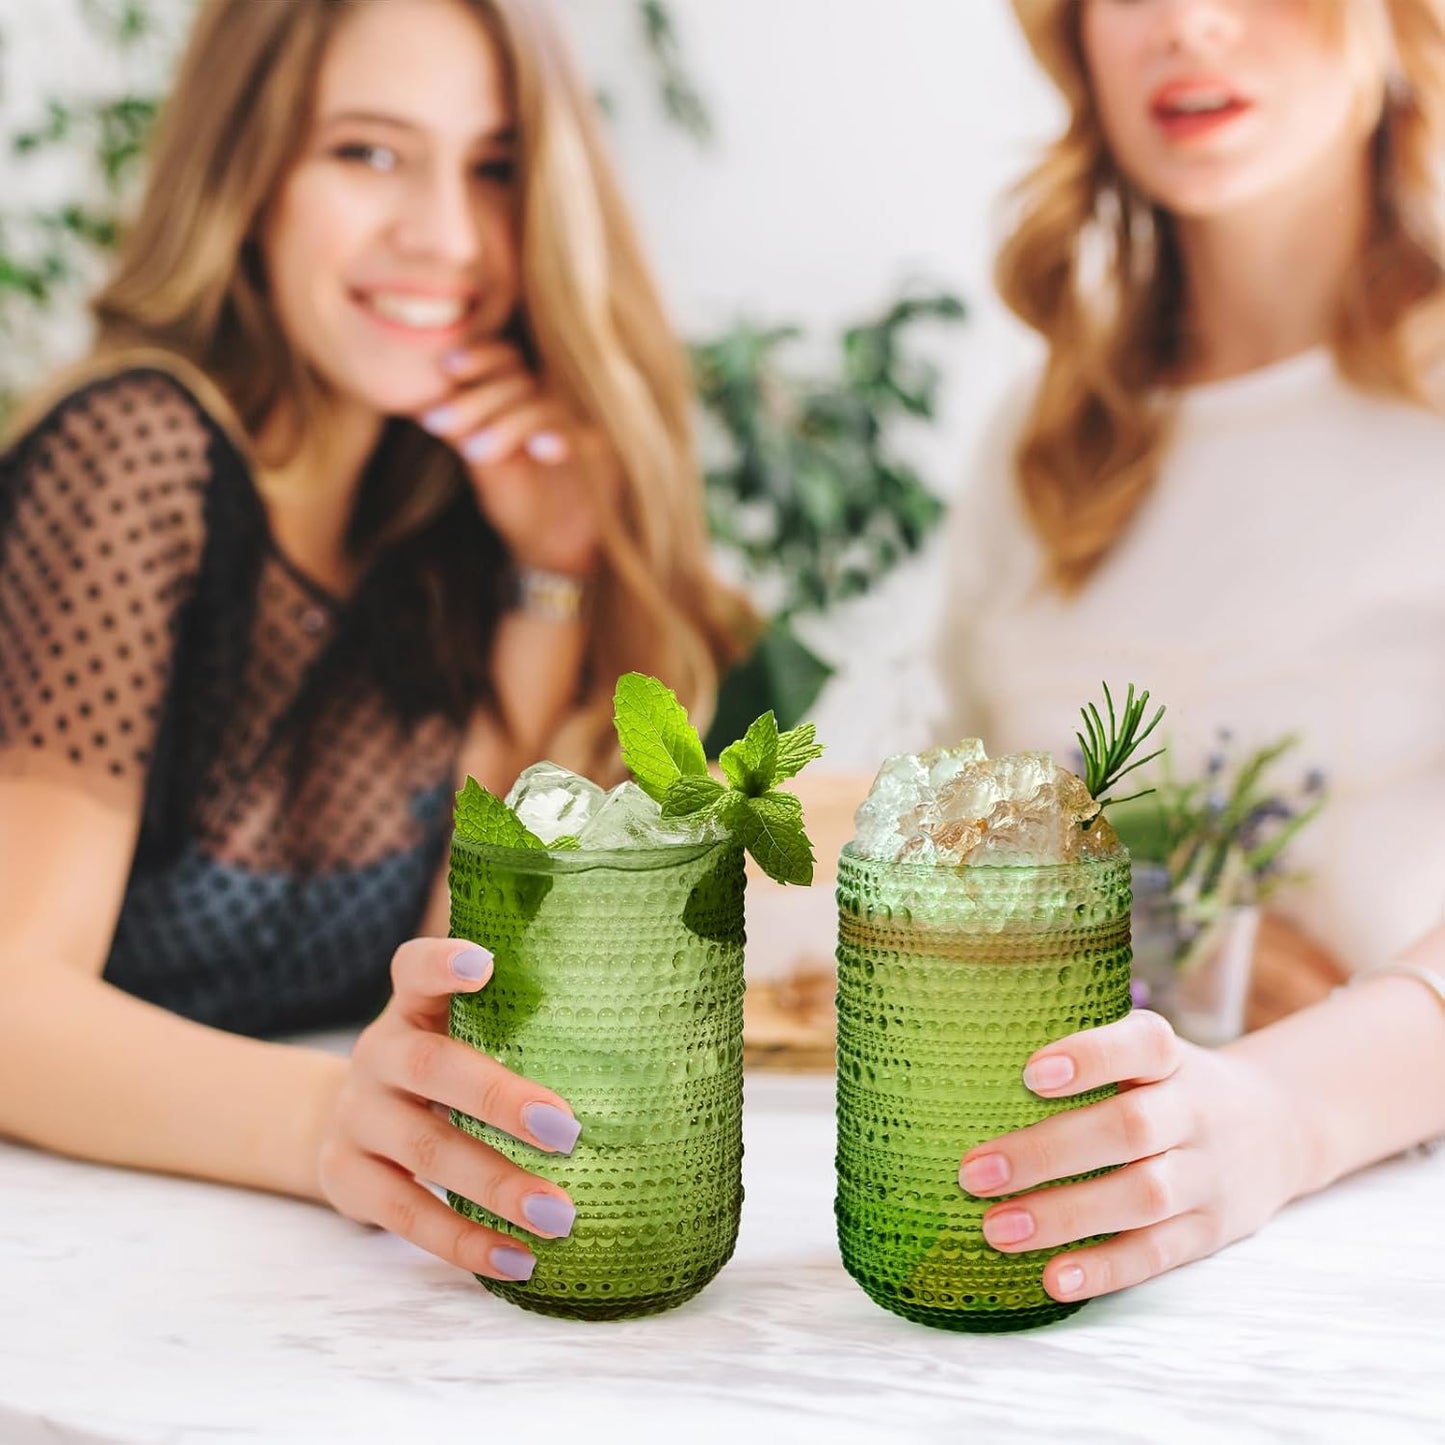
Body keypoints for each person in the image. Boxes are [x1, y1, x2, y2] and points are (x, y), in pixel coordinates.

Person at [0, 0, 749, 1286]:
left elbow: (474, 970)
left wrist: (549, 574)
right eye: (367, 152)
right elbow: (10, 998)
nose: (445, 236)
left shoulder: (439, 517)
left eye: (494, 166)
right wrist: (333, 1122)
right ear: (249, 171)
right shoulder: (141, 453)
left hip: (283, 1278)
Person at [935, 0, 1445, 1305]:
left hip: (1384, 1272)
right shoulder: (1042, 450)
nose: (1185, 22)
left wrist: (1286, 1108)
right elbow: (951, 858)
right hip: (1067, 1229)